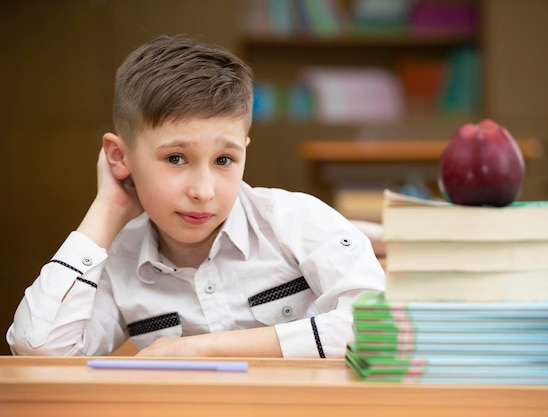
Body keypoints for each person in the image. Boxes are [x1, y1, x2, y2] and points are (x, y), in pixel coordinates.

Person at [6, 35, 385, 358]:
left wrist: (197, 348)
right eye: (175, 158)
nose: (203, 191)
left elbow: (379, 327)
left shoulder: (294, 220)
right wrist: (107, 208)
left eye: (224, 159)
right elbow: (38, 348)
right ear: (120, 158)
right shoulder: (118, 261)